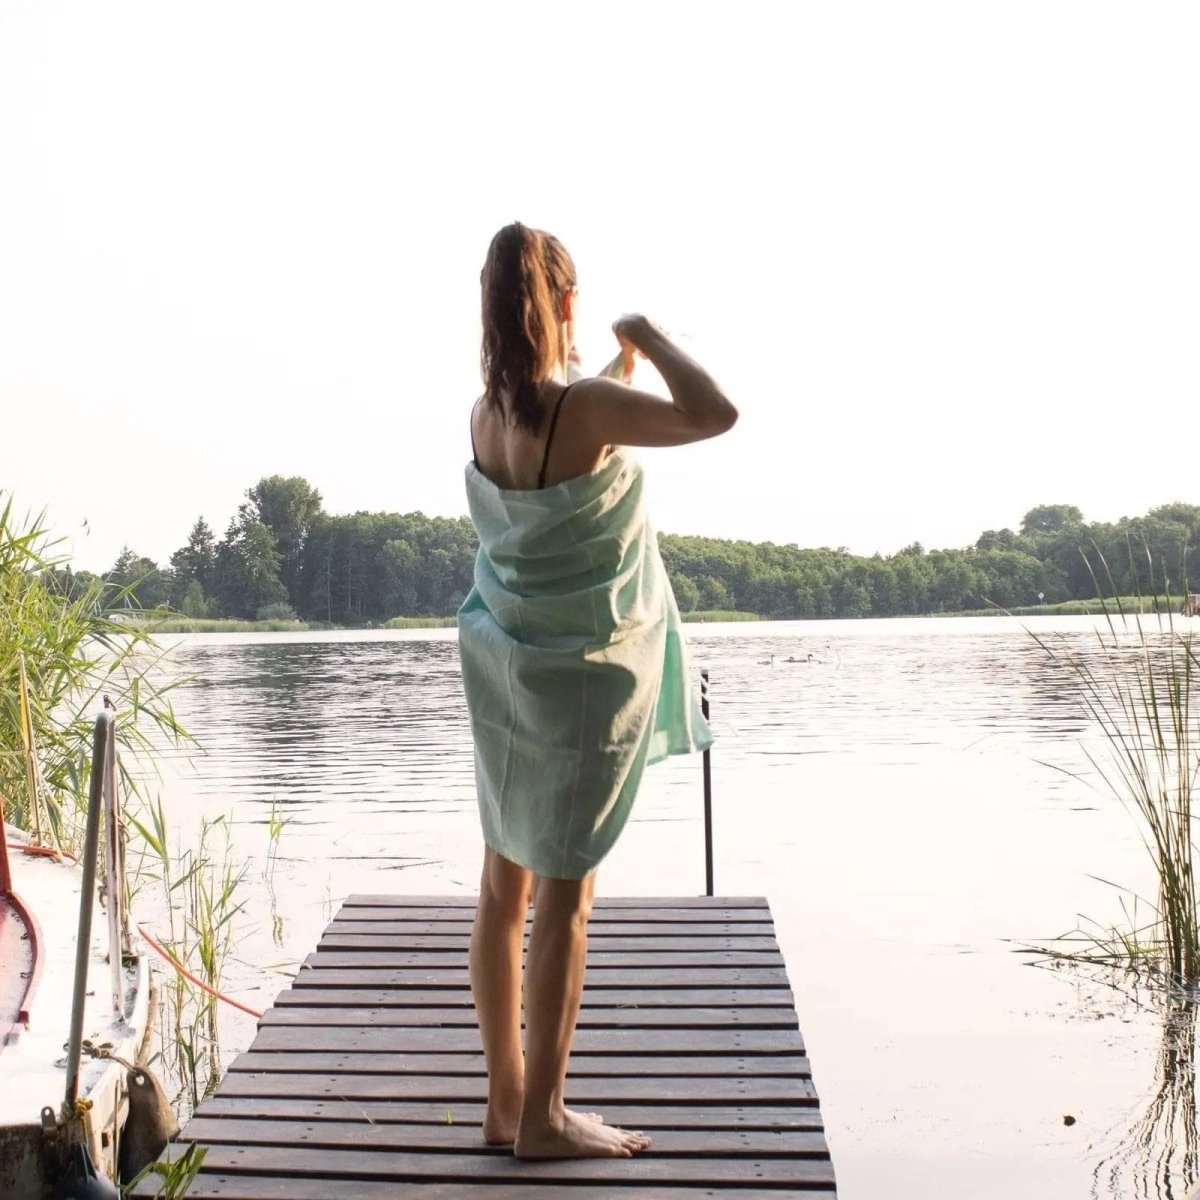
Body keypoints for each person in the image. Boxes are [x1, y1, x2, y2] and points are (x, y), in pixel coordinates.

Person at [457, 222, 738, 1160]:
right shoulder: (587, 410)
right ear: (564, 302)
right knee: (565, 904)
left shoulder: (484, 416)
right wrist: (650, 337)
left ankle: (505, 1104)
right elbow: (713, 413)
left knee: (504, 887)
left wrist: (609, 368)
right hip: (578, 680)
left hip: (505, 668)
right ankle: (544, 1120)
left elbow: (562, 455)